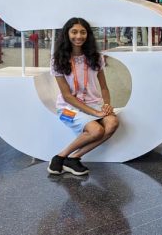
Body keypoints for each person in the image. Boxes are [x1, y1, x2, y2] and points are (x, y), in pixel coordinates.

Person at [48, 17, 120, 176]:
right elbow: (67, 96)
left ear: (88, 35)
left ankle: (73, 158)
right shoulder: (57, 60)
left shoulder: (96, 57)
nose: (78, 36)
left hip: (95, 105)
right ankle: (60, 156)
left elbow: (104, 88)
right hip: (66, 109)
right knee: (96, 131)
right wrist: (95, 114)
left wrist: (106, 105)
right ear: (67, 34)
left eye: (82, 32)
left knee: (113, 123)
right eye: (74, 32)